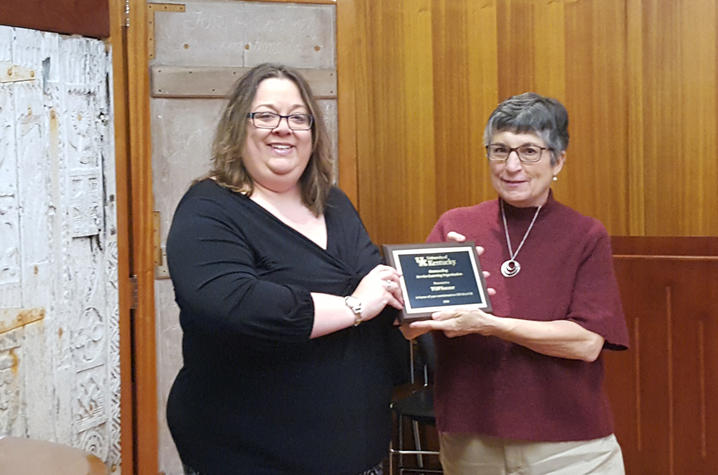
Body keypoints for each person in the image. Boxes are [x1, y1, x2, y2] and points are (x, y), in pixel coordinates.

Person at [165, 63, 406, 475]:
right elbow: (239, 305)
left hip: (356, 453)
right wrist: (355, 307)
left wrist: (429, 296)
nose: (283, 128)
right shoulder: (208, 209)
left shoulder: (333, 203)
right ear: (238, 127)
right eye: (266, 115)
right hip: (247, 454)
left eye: (298, 117)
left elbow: (379, 282)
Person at [409, 92, 630, 474]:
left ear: (557, 159)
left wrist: (492, 325)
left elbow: (586, 343)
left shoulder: (585, 235)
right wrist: (411, 293)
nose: (512, 166)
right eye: (500, 150)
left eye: (529, 151)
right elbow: (412, 327)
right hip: (471, 439)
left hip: (568, 444)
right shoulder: (456, 228)